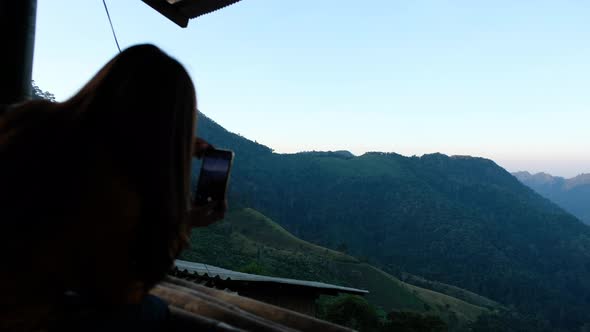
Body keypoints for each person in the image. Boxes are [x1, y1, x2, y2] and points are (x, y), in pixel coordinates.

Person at [0, 44, 225, 331]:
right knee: (153, 311)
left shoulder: (27, 119)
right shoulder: (114, 190)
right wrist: (182, 221)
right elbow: (121, 291)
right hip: (23, 316)